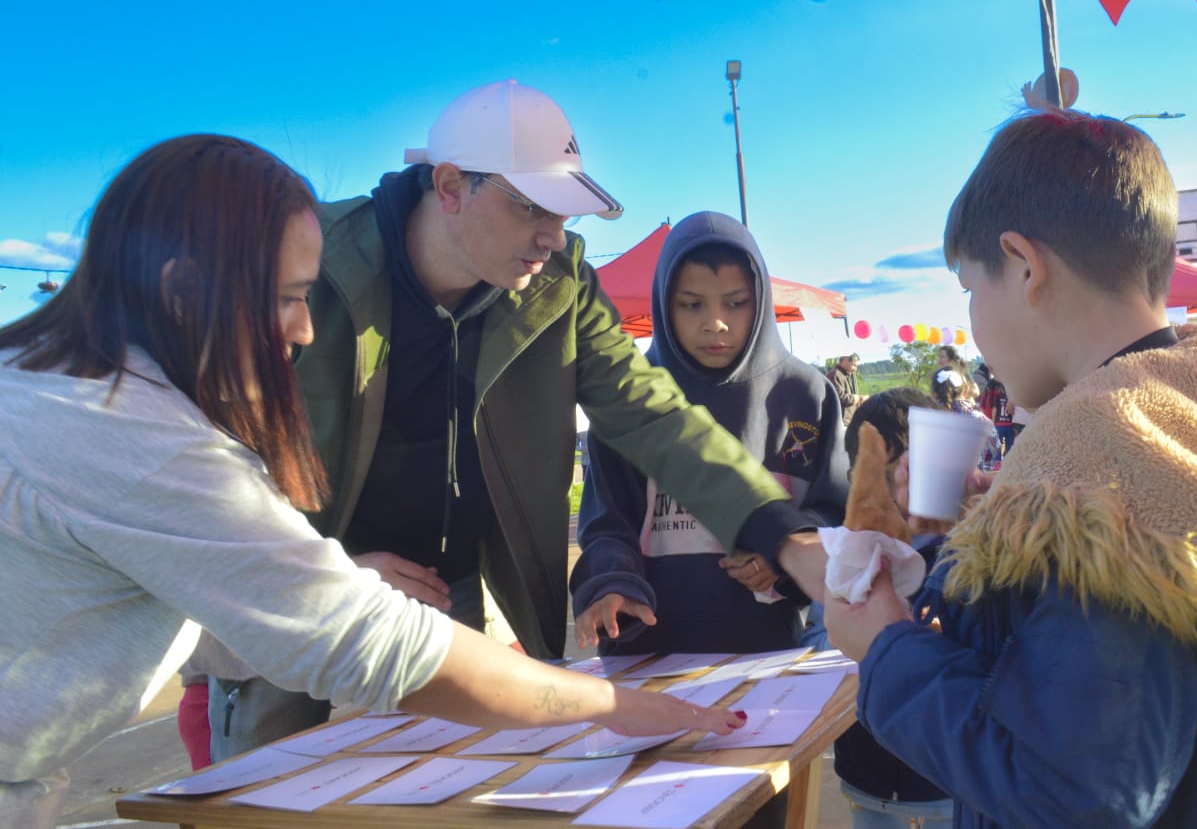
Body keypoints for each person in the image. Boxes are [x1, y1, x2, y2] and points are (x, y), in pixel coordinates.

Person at [0, 135, 745, 829]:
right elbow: (362, 643)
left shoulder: (62, 390)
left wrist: (328, 582)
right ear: (183, 289)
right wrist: (603, 701)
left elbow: (207, 602)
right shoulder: (134, 436)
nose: (304, 331)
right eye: (289, 298)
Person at [203, 80, 828, 760]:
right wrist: (332, 570)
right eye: (531, 207)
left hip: (447, 589)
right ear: (449, 186)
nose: (552, 237)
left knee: (460, 779)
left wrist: (786, 538)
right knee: (265, 784)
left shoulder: (560, 284)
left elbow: (657, 419)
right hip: (295, 580)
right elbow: (212, 462)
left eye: (563, 214)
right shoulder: (307, 265)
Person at [825, 109, 1197, 827]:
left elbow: (1069, 795)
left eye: (969, 286)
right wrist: (999, 530)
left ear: (1024, 266)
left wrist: (884, 646)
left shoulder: (1099, 466)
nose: (971, 318)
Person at [570, 210, 849, 656]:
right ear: (664, 301)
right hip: (646, 654)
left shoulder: (806, 393)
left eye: (735, 303)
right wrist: (611, 585)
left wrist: (782, 555)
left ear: (760, 301)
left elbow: (835, 511)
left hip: (767, 649)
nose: (715, 323)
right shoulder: (630, 397)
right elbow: (606, 524)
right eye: (692, 303)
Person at [801, 387, 952, 829]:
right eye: (873, 480)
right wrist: (848, 633)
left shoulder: (967, 559)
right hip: (866, 776)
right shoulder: (842, 557)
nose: (890, 502)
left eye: (906, 480)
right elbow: (816, 644)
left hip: (950, 784)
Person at [829, 353, 868, 420]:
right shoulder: (835, 374)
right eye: (854, 365)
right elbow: (839, 398)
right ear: (845, 360)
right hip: (840, 422)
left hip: (846, 421)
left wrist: (860, 400)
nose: (855, 369)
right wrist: (856, 398)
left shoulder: (844, 376)